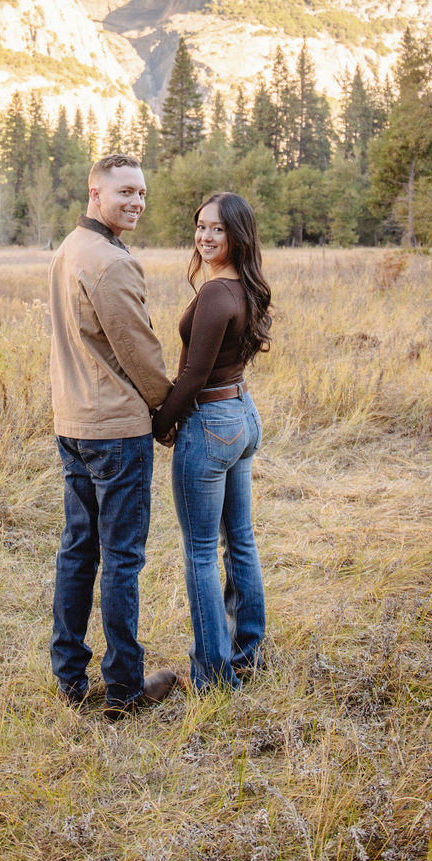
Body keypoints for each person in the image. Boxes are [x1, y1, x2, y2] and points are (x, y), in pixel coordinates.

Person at [48, 153, 178, 719]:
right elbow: (140, 352)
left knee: (80, 550)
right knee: (121, 558)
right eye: (125, 191)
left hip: (73, 423)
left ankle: (68, 677)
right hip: (116, 431)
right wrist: (169, 409)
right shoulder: (109, 261)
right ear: (94, 192)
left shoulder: (67, 249)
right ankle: (125, 688)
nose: (136, 202)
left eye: (142, 193)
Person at [152, 192, 271, 690]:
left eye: (218, 229)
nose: (205, 236)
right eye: (201, 226)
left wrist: (162, 423)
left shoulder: (217, 295)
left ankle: (213, 674)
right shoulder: (242, 287)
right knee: (239, 540)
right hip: (240, 413)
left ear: (237, 235)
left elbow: (195, 375)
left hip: (210, 422)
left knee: (202, 550)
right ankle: (249, 652)